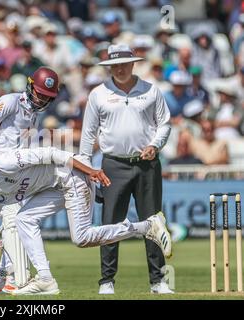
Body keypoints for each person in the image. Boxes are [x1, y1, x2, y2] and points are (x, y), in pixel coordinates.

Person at [0, 147, 172, 295]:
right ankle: (45, 278)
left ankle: (147, 225)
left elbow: (53, 153)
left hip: (72, 174)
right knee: (23, 217)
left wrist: (91, 171)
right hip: (54, 187)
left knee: (81, 238)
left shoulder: (3, 163)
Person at [79, 44, 173, 295]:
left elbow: (164, 124)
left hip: (147, 164)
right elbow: (88, 134)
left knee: (153, 221)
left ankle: (158, 281)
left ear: (133, 64)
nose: (119, 69)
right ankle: (107, 280)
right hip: (113, 164)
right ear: (109, 67)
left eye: (124, 64)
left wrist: (155, 145)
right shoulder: (98, 94)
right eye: (114, 65)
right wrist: (86, 168)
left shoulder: (151, 90)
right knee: (110, 223)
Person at [0, 67, 62, 294]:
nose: (42, 99)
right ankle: (14, 278)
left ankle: (3, 279)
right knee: (8, 224)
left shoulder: (33, 115)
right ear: (30, 86)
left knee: (12, 224)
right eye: (39, 93)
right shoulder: (10, 100)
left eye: (47, 97)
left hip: (16, 174)